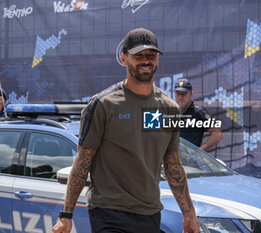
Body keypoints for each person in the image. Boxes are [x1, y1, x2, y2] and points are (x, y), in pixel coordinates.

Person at [53, 28, 200, 233]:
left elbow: (173, 164)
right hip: (108, 213)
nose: (145, 61)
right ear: (124, 58)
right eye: (138, 55)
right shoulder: (103, 104)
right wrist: (66, 215)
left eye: (151, 55)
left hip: (149, 214)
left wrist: (189, 214)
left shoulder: (168, 109)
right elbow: (83, 161)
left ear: (157, 59)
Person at [174, 78, 223, 151]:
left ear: (191, 94)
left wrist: (199, 152)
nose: (180, 97)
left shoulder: (198, 113)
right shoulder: (169, 111)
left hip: (188, 160)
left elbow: (217, 134)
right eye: (178, 94)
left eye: (184, 94)